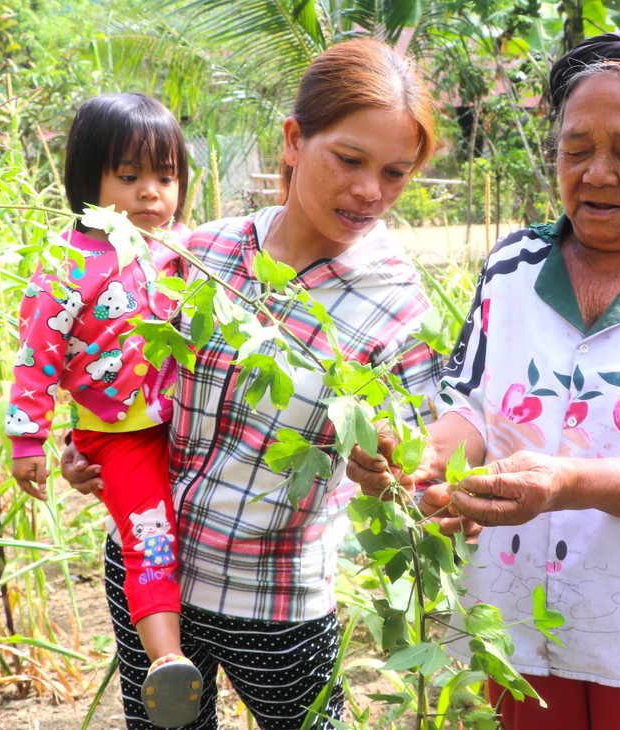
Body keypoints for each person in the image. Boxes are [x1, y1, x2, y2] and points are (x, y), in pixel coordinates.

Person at [348, 23, 620, 730]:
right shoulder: (513, 268)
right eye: (575, 150)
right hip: (514, 627)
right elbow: (473, 404)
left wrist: (567, 485)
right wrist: (427, 462)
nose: (596, 173)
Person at [62, 39, 442, 730]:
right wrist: (95, 444)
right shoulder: (200, 251)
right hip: (151, 576)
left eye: (394, 172)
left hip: (272, 606)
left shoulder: (400, 308)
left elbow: (425, 458)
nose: (369, 191)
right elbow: (139, 381)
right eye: (349, 159)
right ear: (294, 140)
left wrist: (393, 468)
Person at [6, 92, 202, 728]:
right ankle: (168, 662)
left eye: (165, 177)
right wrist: (29, 444)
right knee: (150, 537)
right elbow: (35, 356)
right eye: (129, 176)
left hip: (184, 425)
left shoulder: (181, 252)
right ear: (87, 178)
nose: (151, 193)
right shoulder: (67, 264)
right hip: (119, 439)